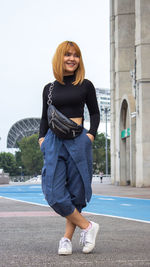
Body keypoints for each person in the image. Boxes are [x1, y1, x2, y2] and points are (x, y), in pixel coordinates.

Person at [38, 41, 100, 255]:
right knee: (53, 192)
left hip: (78, 139)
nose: (72, 59)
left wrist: (91, 135)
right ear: (59, 58)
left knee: (76, 191)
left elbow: (94, 112)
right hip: (54, 141)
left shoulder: (86, 85)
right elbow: (44, 117)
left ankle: (66, 239)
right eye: (67, 55)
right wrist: (41, 139)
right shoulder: (50, 88)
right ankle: (88, 226)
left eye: (76, 55)